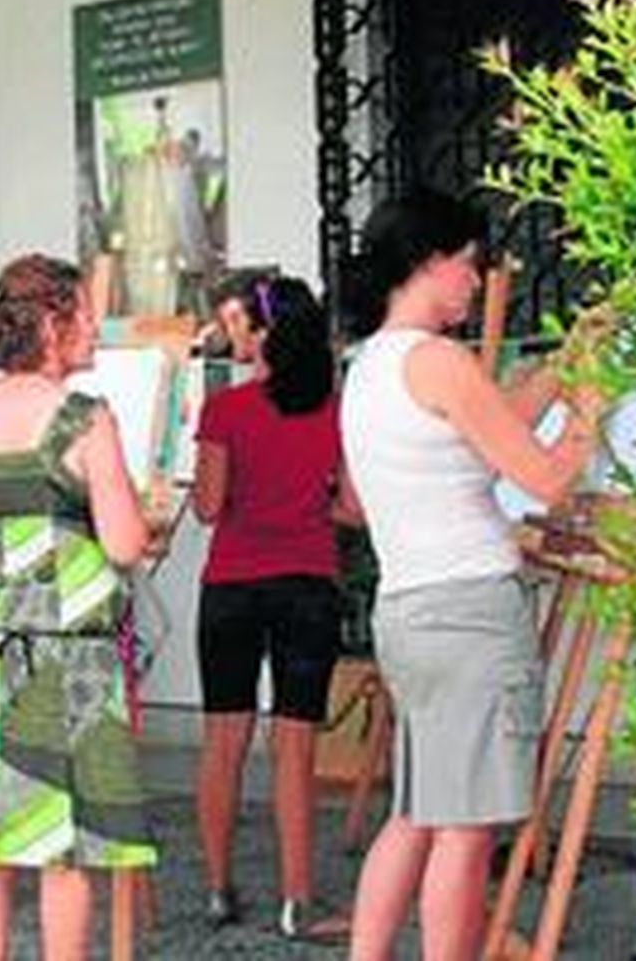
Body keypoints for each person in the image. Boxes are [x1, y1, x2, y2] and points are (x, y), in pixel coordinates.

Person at [338, 190, 604, 961]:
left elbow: (495, 416)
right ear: (429, 261)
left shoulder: (375, 363)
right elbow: (547, 476)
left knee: (418, 811)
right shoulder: (440, 360)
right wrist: (589, 407)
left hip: (410, 612)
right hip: (471, 616)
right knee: (466, 825)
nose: (478, 280)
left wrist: (560, 364)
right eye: (469, 263)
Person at [0, 254, 156, 960]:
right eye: (85, 313)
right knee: (63, 846)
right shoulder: (84, 420)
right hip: (70, 652)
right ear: (53, 325)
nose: (96, 326)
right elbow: (123, 542)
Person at [191, 274, 357, 940]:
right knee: (296, 749)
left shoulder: (225, 411)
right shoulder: (335, 408)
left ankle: (218, 887)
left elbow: (206, 507)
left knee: (223, 743)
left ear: (262, 334)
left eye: (239, 323)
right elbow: (348, 507)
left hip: (231, 584)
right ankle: (297, 899)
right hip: (310, 582)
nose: (232, 334)